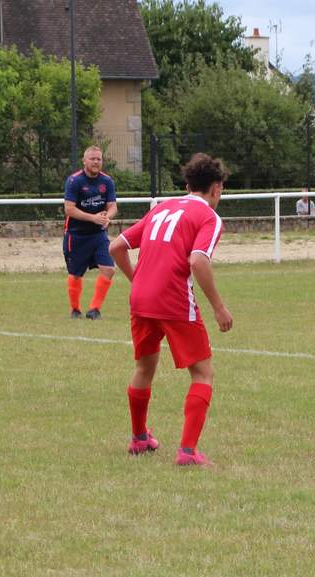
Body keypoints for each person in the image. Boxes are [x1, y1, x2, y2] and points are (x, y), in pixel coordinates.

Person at [107, 153, 234, 466]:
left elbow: (116, 246)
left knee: (144, 368)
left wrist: (138, 280)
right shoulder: (209, 217)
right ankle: (188, 452)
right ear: (216, 188)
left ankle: (139, 439)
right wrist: (219, 307)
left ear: (187, 184)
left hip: (141, 300)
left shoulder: (161, 207)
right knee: (203, 373)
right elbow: (198, 260)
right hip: (173, 299)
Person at [63, 145, 117, 319]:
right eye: (92, 159)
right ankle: (75, 309)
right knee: (76, 274)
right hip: (76, 235)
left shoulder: (107, 181)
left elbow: (113, 207)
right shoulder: (74, 181)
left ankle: (94, 309)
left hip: (98, 235)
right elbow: (69, 210)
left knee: (108, 269)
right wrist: (93, 217)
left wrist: (107, 217)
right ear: (84, 161)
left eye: (99, 159)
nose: (96, 162)